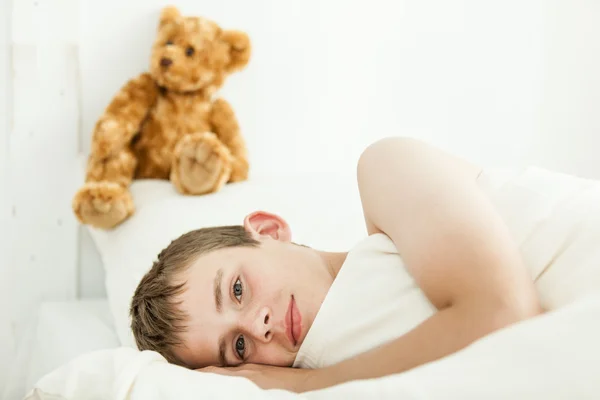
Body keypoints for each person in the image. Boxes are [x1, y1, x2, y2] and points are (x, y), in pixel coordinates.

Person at [129, 136, 546, 392]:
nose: (260, 327)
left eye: (238, 290)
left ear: (268, 230)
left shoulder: (387, 171)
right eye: (239, 349)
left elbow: (505, 314)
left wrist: (308, 386)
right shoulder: (336, 371)